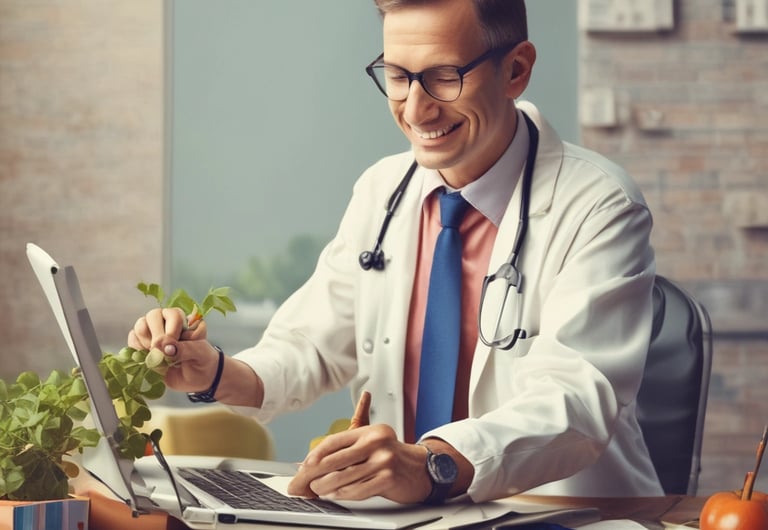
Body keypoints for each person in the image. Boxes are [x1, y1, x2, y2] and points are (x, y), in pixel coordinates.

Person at [129, 0, 664, 505]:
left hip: (563, 511)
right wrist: (215, 373)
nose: (415, 107)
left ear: (516, 71)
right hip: (415, 518)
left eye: (444, 76)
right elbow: (309, 347)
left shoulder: (600, 206)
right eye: (399, 76)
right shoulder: (382, 189)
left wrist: (428, 466)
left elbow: (574, 403)